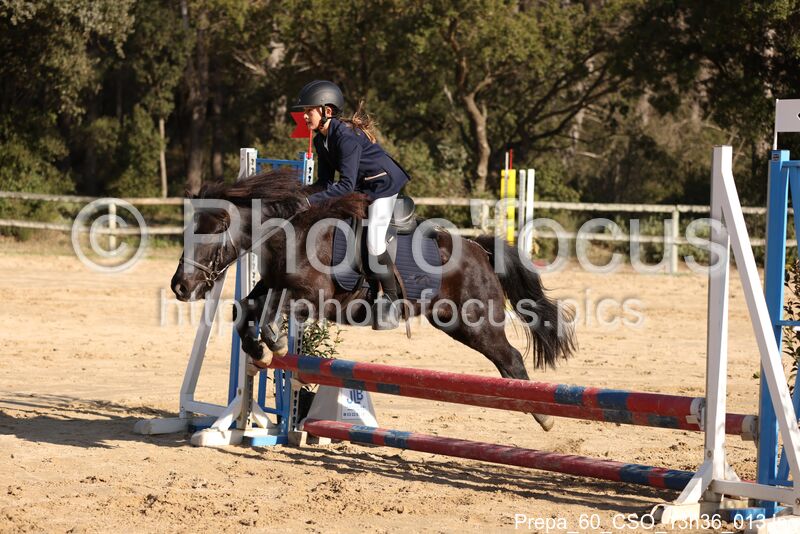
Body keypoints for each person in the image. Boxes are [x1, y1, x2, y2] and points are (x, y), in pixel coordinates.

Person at [292, 80, 410, 330]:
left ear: (327, 111)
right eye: (304, 111)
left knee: (374, 240)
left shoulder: (346, 138)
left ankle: (391, 300)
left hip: (383, 185)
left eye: (309, 110)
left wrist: (308, 201)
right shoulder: (321, 141)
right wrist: (299, 196)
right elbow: (325, 183)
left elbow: (344, 186)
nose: (304, 116)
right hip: (361, 186)